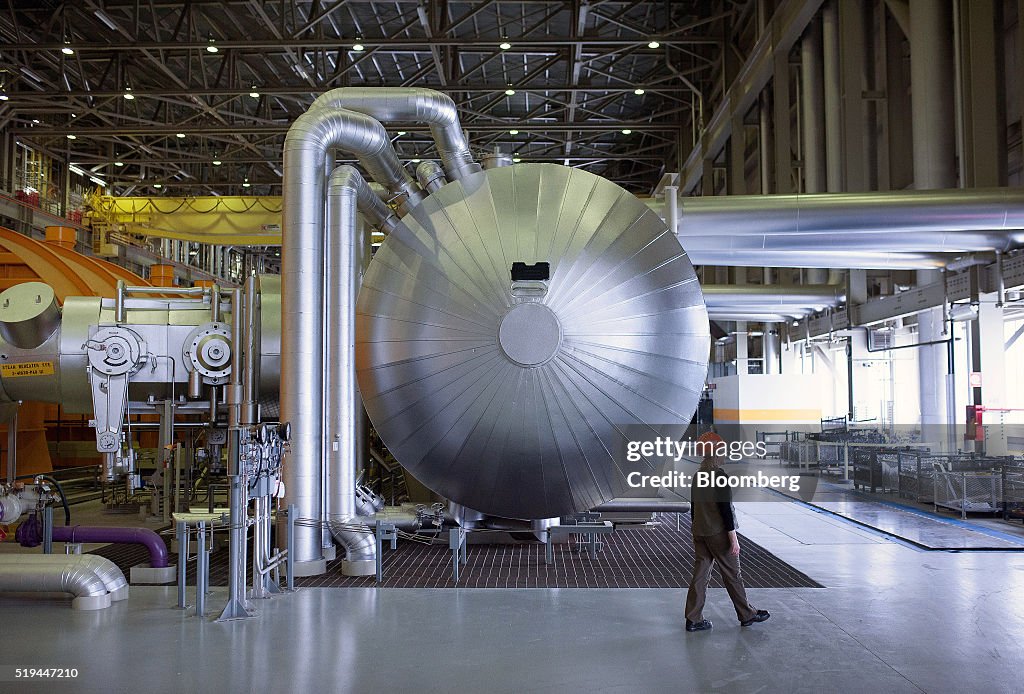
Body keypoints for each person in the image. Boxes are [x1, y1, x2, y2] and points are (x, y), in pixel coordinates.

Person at [684, 429, 770, 632]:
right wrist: (734, 539)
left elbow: (694, 507)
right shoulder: (719, 476)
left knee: (700, 575)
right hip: (718, 533)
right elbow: (725, 511)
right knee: (732, 574)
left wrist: (696, 530)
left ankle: (693, 618)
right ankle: (747, 614)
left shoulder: (698, 476)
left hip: (700, 531)